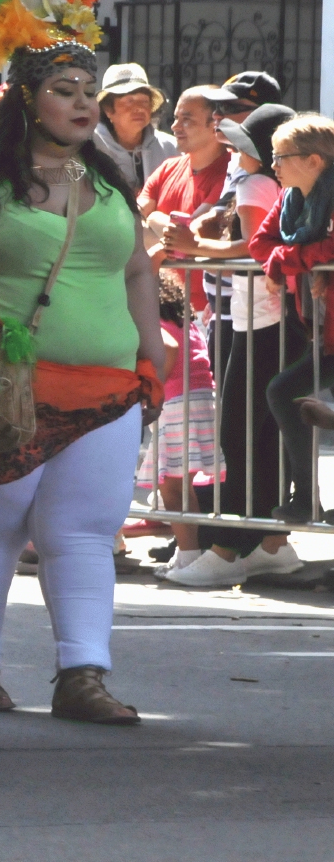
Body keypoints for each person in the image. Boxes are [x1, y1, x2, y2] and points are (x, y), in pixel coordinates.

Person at [0, 42, 162, 724]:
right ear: (26, 99)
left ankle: (82, 676)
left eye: (89, 91)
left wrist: (151, 351)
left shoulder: (108, 176)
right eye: (66, 89)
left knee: (86, 534)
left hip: (107, 388)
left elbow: (134, 269)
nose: (86, 102)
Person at [158, 104, 302, 584]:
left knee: (242, 435)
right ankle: (265, 542)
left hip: (265, 320)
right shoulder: (258, 183)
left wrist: (199, 247)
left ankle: (232, 546)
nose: (232, 150)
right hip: (251, 318)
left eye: (241, 143)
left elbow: (253, 248)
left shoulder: (259, 184)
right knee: (252, 433)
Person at [248, 113, 334, 527]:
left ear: (314, 161)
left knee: (284, 391)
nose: (274, 166)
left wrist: (289, 263)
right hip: (323, 331)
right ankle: (307, 497)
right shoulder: (289, 201)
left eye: (281, 157)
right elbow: (259, 243)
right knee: (284, 392)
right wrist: (299, 263)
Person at [135, 270, 216, 572]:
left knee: (172, 489)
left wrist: (154, 387)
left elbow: (167, 350)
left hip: (176, 403)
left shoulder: (153, 322)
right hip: (201, 398)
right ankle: (188, 553)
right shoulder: (184, 320)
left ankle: (189, 555)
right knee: (182, 486)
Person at [140, 87, 231, 311]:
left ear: (216, 124)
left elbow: (193, 234)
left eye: (186, 119)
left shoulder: (229, 174)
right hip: (161, 308)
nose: (175, 127)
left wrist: (154, 219)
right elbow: (132, 218)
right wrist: (175, 240)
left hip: (204, 311)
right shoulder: (168, 167)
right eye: (175, 118)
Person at [91, 63, 175, 189]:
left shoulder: (171, 148)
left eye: (144, 101)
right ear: (108, 109)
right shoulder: (91, 147)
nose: (139, 108)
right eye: (129, 101)